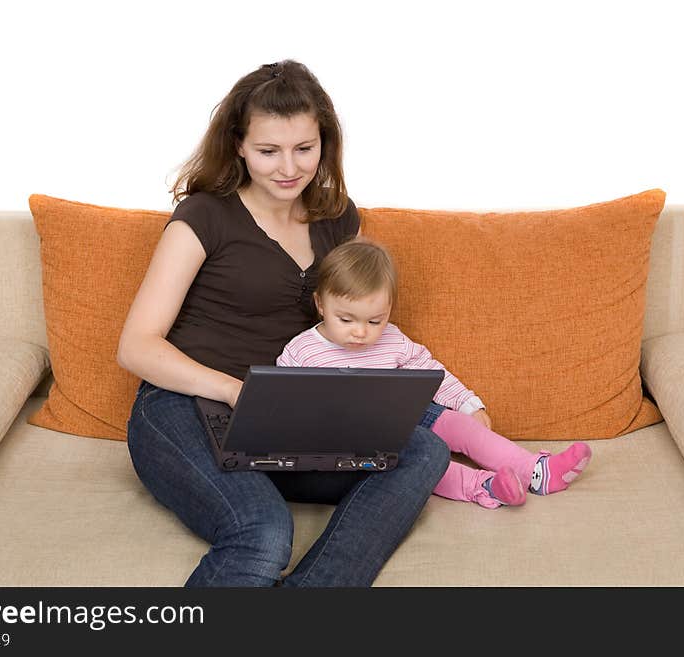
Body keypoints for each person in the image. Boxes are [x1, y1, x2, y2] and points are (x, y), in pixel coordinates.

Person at [116, 60, 450, 587]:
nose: (288, 168)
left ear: (325, 144)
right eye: (268, 150)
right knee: (264, 532)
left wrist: (450, 407)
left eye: (304, 148)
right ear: (239, 146)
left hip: (286, 422)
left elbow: (362, 331)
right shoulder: (203, 216)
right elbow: (136, 346)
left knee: (423, 449)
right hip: (183, 408)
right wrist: (232, 390)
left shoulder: (339, 218)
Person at [277, 237, 592, 509]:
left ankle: (536, 471)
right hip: (362, 435)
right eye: (346, 320)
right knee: (422, 460)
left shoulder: (393, 339)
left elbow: (430, 371)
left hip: (409, 411)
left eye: (375, 321)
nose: (361, 332)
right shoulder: (301, 350)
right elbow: (282, 402)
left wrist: (470, 404)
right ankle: (486, 487)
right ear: (320, 304)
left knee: (462, 426)